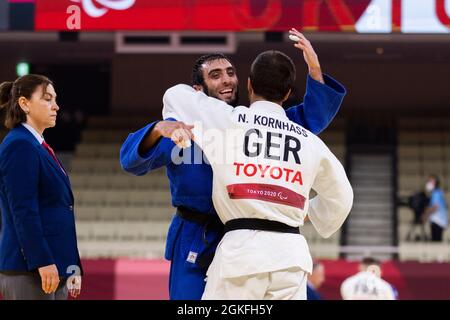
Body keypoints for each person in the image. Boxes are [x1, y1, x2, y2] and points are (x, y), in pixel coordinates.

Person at [120, 29, 347, 300]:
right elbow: (130, 161)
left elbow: (310, 119)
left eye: (230, 72)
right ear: (198, 90)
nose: (227, 80)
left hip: (246, 234)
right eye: (215, 75)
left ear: (246, 83)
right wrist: (160, 128)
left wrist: (315, 70)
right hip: (196, 235)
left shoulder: (253, 125)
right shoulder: (182, 127)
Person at [0, 75, 82, 300]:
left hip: (54, 267)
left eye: (55, 99)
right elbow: (23, 210)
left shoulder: (38, 146)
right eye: (47, 99)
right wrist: (42, 260)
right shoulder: (19, 145)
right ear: (24, 103)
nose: (56, 106)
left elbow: (61, 210)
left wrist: (72, 264)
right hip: (31, 270)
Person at [421, 175, 448, 242]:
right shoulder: (436, 193)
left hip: (438, 221)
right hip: (437, 221)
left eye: (430, 181)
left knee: (436, 241)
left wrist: (425, 215)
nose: (428, 183)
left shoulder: (436, 193)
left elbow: (435, 207)